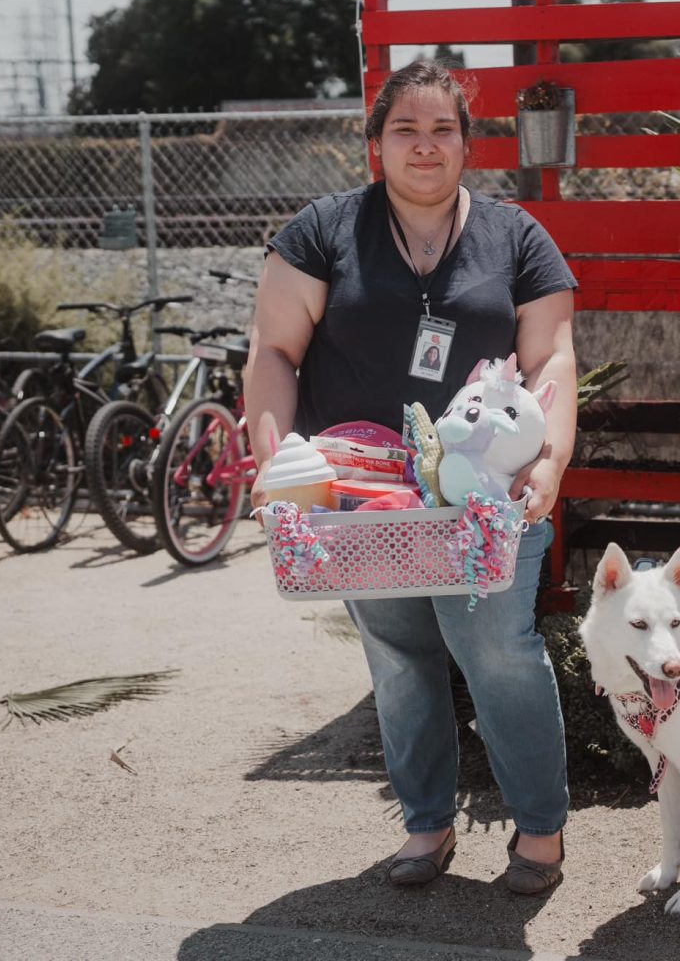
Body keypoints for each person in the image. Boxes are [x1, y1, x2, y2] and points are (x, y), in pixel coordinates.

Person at [245, 60, 578, 894]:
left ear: (468, 144)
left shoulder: (517, 237)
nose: (424, 147)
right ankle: (427, 825)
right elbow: (274, 353)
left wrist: (551, 461)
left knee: (498, 648)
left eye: (442, 130)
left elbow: (554, 362)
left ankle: (539, 831)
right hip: (365, 500)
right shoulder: (322, 232)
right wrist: (275, 465)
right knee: (399, 655)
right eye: (405, 130)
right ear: (375, 146)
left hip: (486, 501)